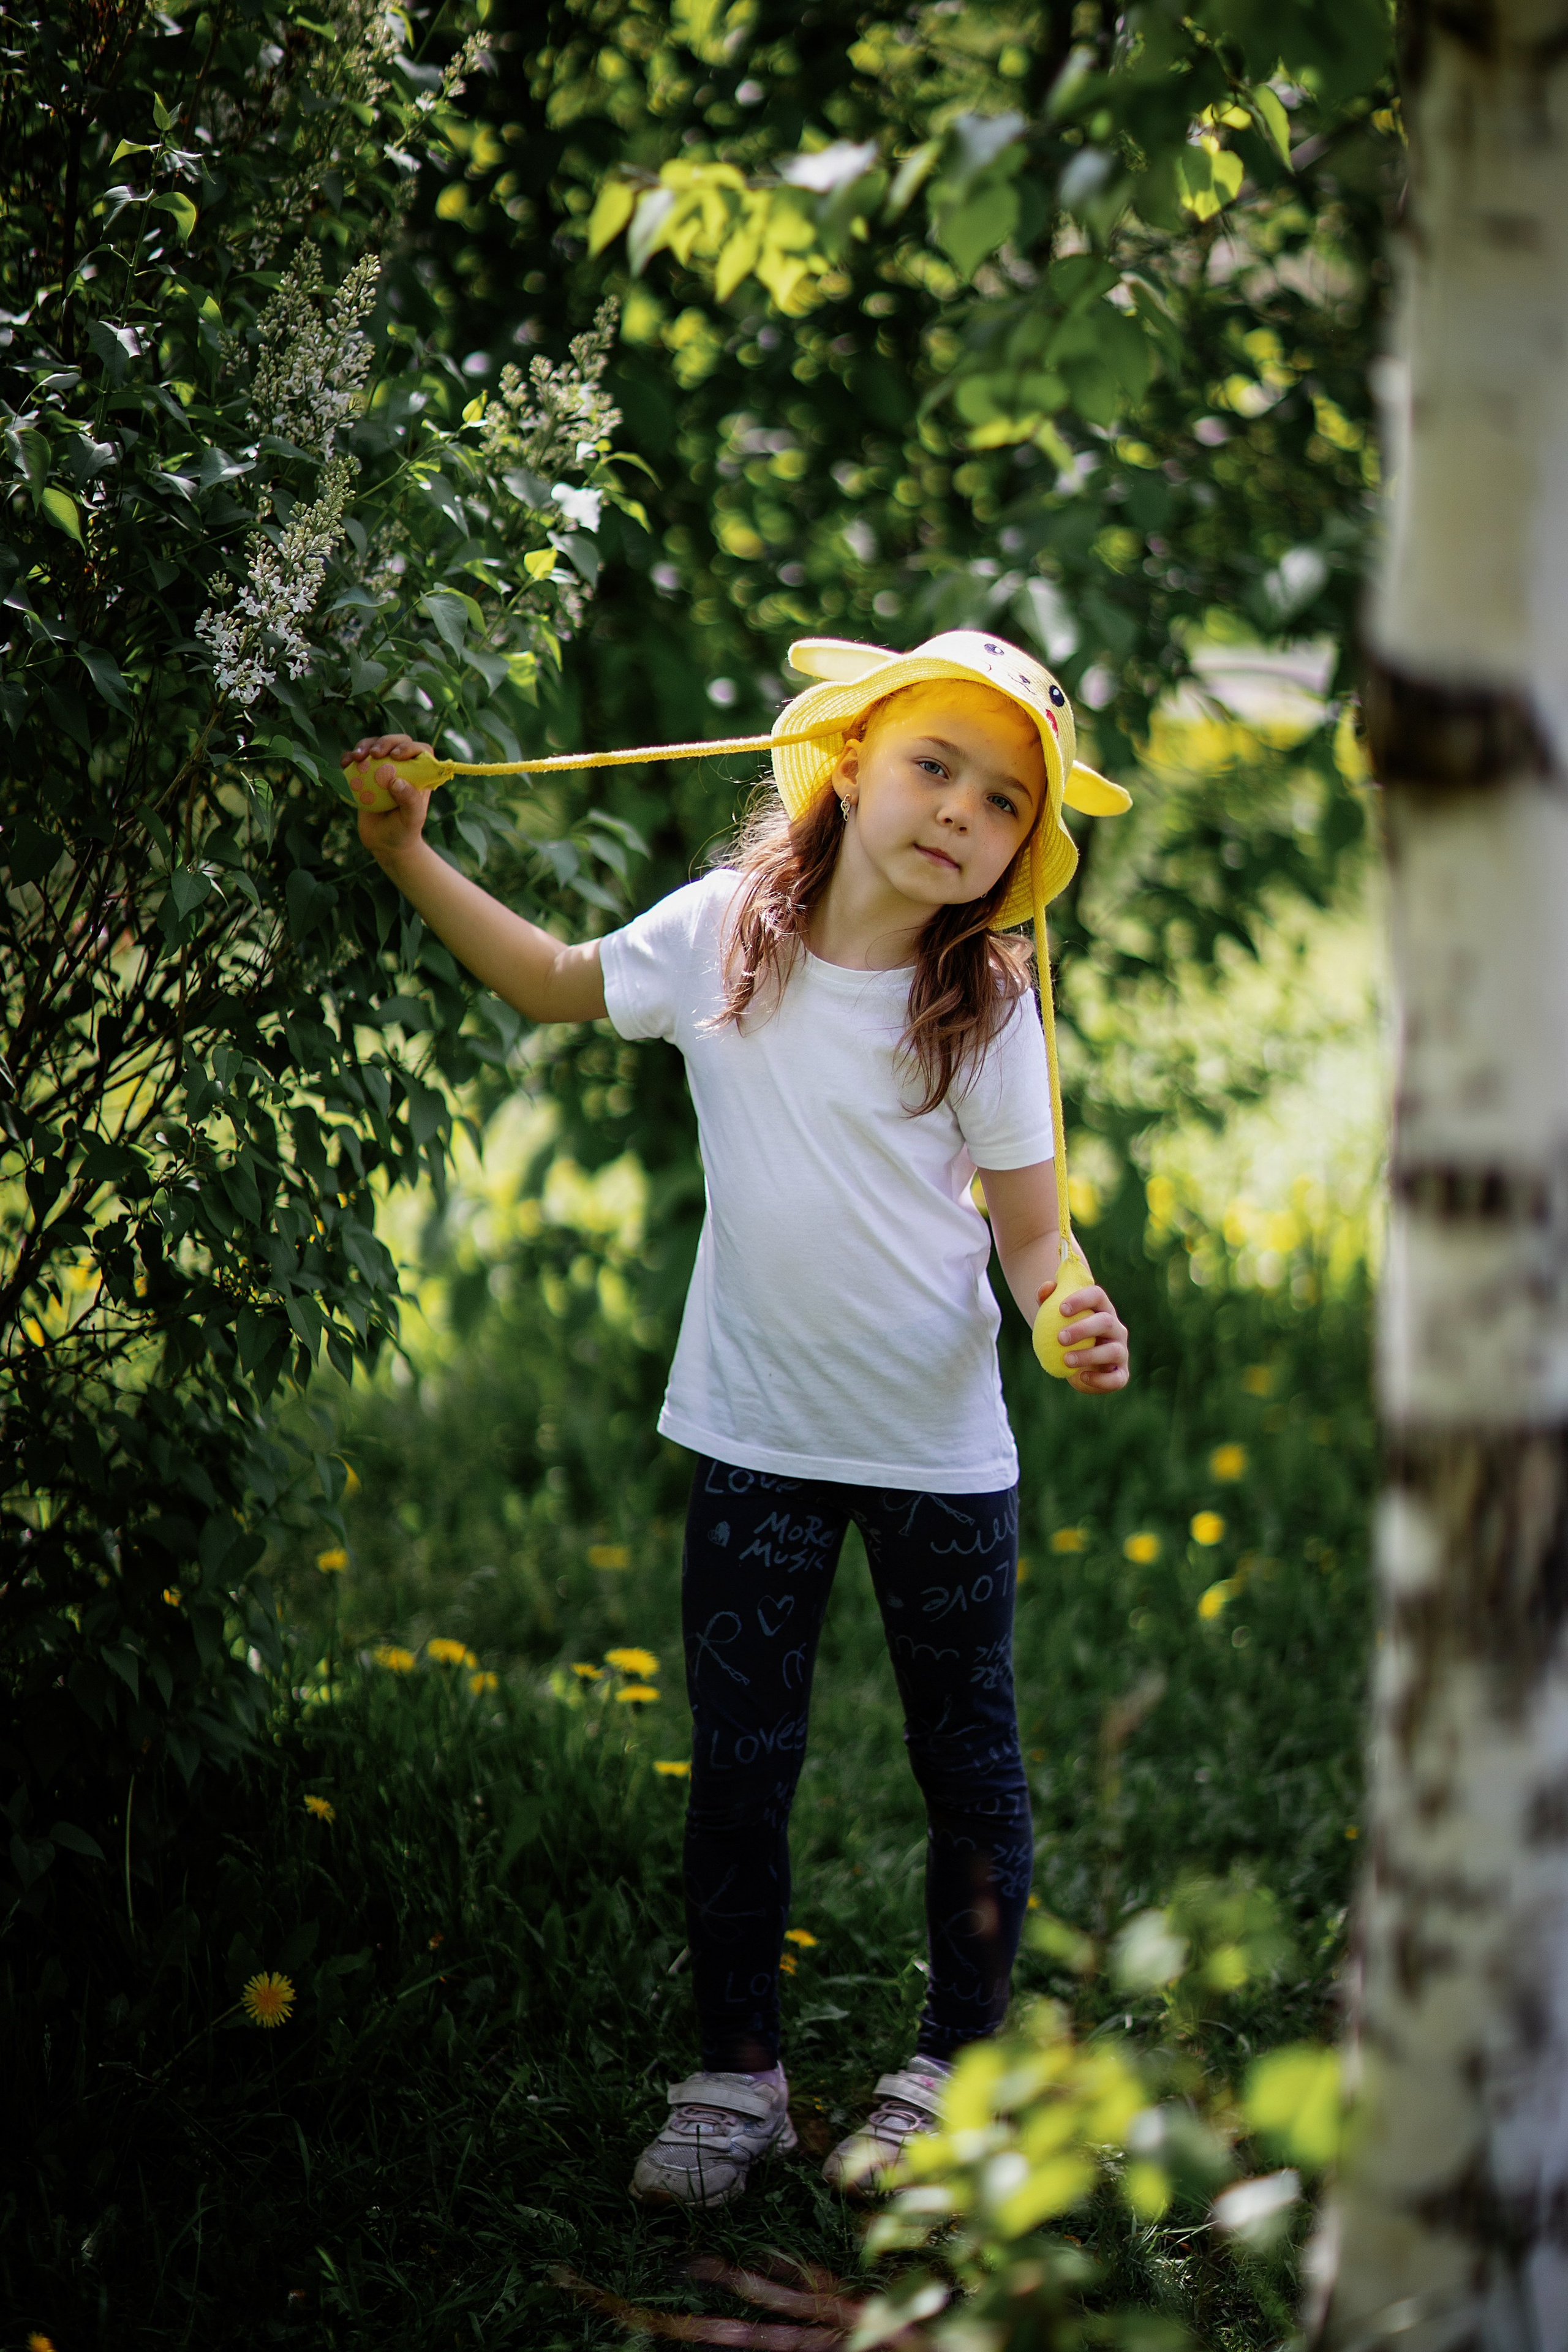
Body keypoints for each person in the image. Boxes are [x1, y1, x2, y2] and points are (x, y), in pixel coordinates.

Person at [343, 629, 1130, 2211]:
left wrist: (1069, 1312)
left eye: (1003, 800)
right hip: (759, 1435)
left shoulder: (985, 1005)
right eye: (935, 766)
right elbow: (554, 981)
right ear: (849, 761)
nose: (961, 811)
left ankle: (955, 2068)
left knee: (967, 1759)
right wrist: (404, 850)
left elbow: (1034, 1235)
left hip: (935, 1456)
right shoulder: (724, 936)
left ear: (1021, 850)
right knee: (742, 1765)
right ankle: (736, 2078)